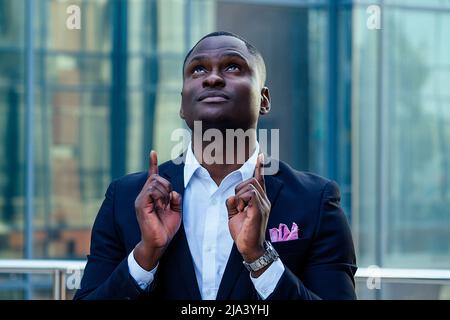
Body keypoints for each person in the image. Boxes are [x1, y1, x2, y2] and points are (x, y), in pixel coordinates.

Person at [74, 31, 357, 300]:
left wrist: (260, 258)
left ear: (264, 100)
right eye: (198, 70)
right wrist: (145, 255)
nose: (211, 78)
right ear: (182, 105)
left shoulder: (315, 201)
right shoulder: (125, 199)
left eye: (233, 67)